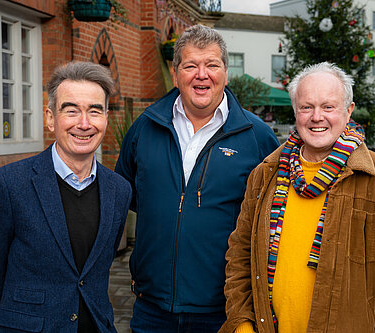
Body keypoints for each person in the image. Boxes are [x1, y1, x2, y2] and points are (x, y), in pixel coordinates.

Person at [220, 62, 375, 333]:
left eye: (328, 107)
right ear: (296, 111)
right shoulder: (265, 175)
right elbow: (239, 256)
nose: (317, 117)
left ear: (348, 111)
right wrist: (242, 326)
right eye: (307, 107)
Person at [115, 24, 279, 332]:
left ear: (225, 73)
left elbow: (273, 214)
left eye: (211, 65)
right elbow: (127, 196)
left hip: (223, 309)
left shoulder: (257, 137)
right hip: (152, 308)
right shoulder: (144, 128)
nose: (201, 74)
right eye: (190, 65)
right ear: (175, 74)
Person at [0, 61, 132, 332]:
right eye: (71, 111)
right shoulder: (10, 184)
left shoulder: (119, 189)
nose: (84, 124)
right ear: (50, 118)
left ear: (106, 117)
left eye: (95, 111)